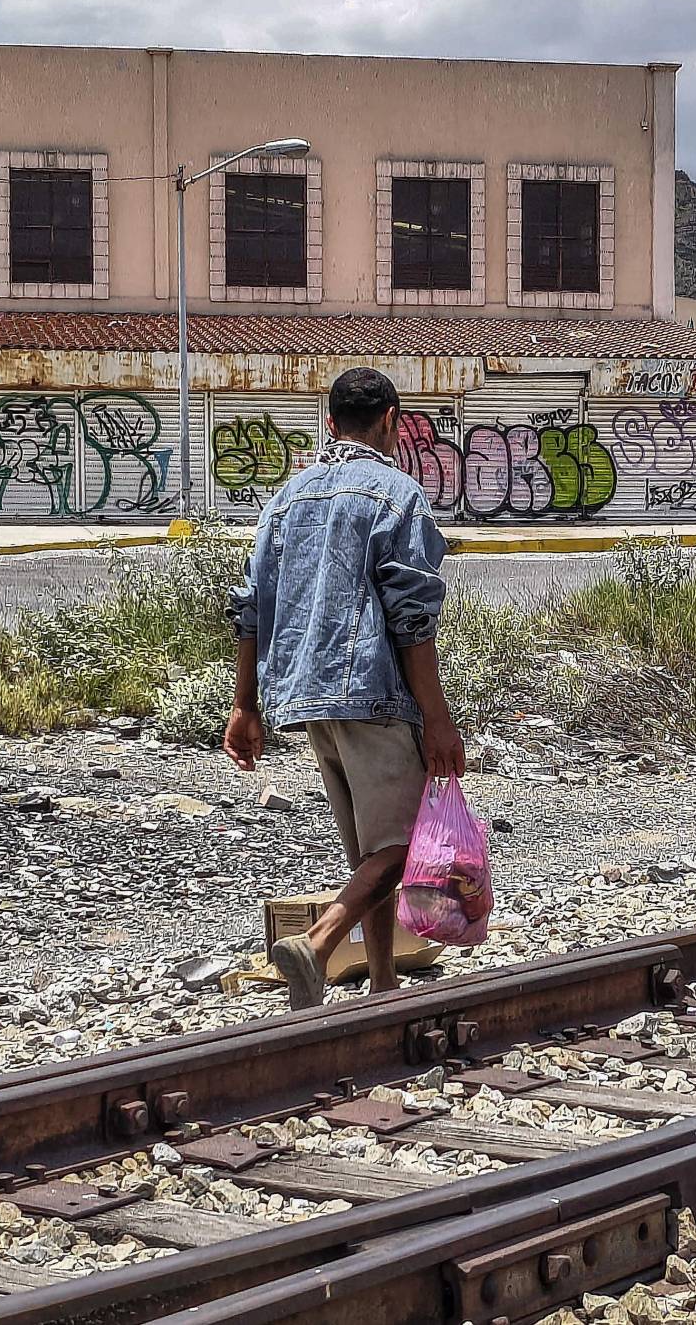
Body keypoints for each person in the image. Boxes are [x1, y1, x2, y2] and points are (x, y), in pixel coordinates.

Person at [224, 367, 466, 1010]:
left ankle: (384, 981)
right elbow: (412, 616)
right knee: (409, 844)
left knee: (368, 850)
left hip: (305, 699)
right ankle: (321, 941)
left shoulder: (287, 497)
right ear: (391, 420)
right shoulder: (398, 495)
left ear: (329, 423)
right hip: (376, 694)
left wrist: (245, 706)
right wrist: (437, 717)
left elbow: (252, 606)